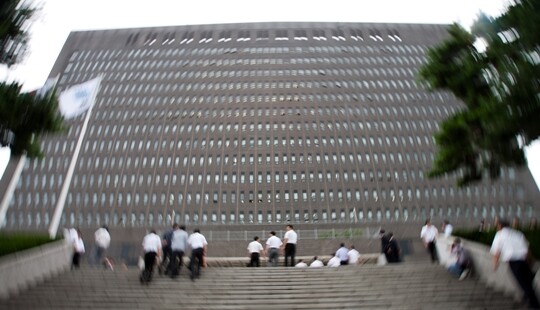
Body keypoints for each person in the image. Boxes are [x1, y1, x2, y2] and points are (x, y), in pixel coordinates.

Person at [490, 219, 539, 309]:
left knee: (525, 285)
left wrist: (495, 265)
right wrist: (530, 262)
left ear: (500, 226)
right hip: (524, 261)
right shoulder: (518, 233)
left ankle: (535, 305)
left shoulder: (499, 235)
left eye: (497, 225)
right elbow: (527, 250)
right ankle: (529, 300)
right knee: (528, 283)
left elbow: (496, 251)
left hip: (514, 262)